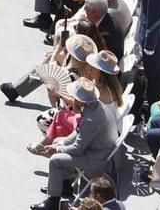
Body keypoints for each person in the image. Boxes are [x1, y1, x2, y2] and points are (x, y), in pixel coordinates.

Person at [33, 78, 118, 210]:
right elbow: (78, 132)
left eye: (75, 97)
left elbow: (77, 149)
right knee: (57, 140)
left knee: (55, 160)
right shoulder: (94, 106)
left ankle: (52, 203)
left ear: (82, 100)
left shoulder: (90, 118)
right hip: (96, 149)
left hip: (95, 158)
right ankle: (64, 186)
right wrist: (58, 143)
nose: (72, 98)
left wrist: (56, 150)